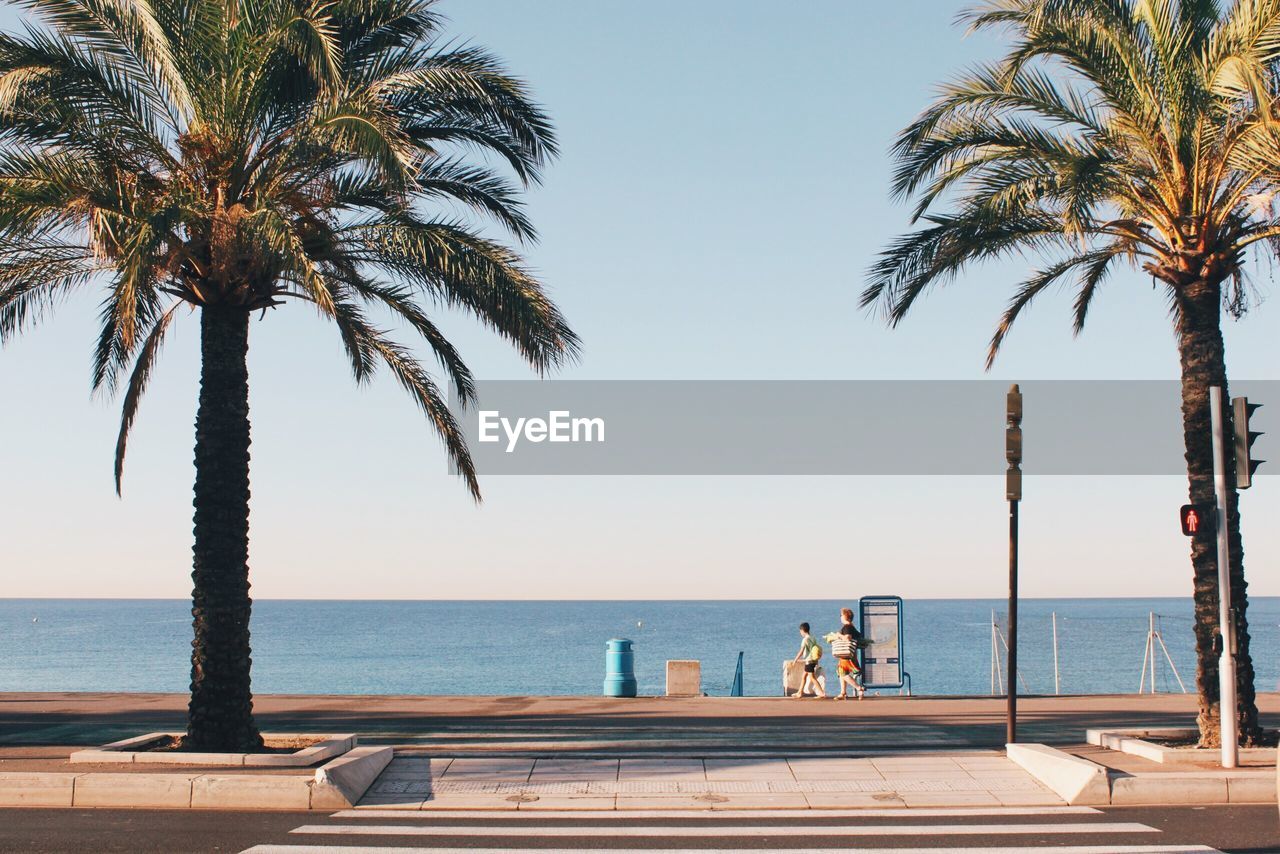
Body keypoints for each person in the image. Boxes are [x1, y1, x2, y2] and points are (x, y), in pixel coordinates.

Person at [833, 607, 865, 700]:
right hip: (851, 654)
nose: (840, 617)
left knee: (842, 673)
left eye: (841, 615)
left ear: (845, 616)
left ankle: (859, 688)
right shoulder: (852, 627)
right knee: (841, 671)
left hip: (846, 655)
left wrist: (838, 635)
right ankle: (843, 692)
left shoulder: (847, 627)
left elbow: (847, 638)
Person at [792, 622, 826, 699]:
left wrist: (795, 659)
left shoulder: (805, 640)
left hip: (809, 661)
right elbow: (815, 649)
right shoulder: (813, 638)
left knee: (812, 678)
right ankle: (800, 692)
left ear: (802, 630)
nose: (800, 633)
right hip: (813, 660)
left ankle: (821, 693)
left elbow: (801, 651)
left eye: (800, 631)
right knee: (804, 676)